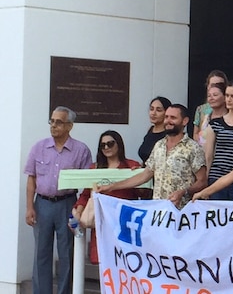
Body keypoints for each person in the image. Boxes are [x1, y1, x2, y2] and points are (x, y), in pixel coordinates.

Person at [24, 106, 92, 294]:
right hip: (42, 204)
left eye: (59, 122)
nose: (53, 125)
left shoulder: (81, 150)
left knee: (67, 254)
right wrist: (29, 207)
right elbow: (31, 179)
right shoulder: (39, 147)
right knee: (41, 254)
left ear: (70, 126)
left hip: (67, 204)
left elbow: (87, 183)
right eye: (51, 121)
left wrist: (80, 208)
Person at [97, 104, 206, 209]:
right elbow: (145, 175)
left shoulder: (193, 148)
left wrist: (183, 192)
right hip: (158, 212)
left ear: (185, 121)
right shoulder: (159, 145)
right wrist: (111, 187)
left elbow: (202, 181)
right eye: (166, 117)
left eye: (173, 118)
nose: (168, 121)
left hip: (182, 213)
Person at [71, 131, 143, 263]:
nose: (106, 148)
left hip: (123, 221)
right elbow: (86, 194)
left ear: (119, 144)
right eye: (102, 145)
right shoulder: (94, 168)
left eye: (110, 144)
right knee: (102, 261)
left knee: (125, 261)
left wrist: (139, 174)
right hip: (101, 221)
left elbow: (143, 194)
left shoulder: (131, 165)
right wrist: (78, 212)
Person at [192, 70, 227, 141]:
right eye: (212, 85)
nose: (215, 87)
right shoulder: (200, 109)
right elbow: (195, 133)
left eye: (219, 84)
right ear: (208, 86)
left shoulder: (230, 108)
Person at [138, 96, 171, 163]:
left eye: (158, 110)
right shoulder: (150, 130)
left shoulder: (169, 135)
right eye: (151, 109)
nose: (153, 113)